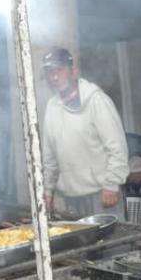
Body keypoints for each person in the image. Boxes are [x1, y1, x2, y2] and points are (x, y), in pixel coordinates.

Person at [40, 47, 130, 218]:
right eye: (49, 72)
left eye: (59, 70)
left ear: (73, 71)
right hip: (71, 197)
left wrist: (112, 184)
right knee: (80, 244)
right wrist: (47, 190)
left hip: (102, 194)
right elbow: (49, 156)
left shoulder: (97, 101)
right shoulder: (52, 107)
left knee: (113, 244)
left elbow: (117, 147)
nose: (54, 77)